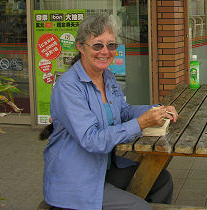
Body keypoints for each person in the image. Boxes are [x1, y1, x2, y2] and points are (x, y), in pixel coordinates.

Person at [41, 15, 178, 210]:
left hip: (104, 168)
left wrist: (157, 110)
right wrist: (140, 123)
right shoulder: (68, 87)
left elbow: (124, 112)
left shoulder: (107, 76)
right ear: (81, 47)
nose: (105, 52)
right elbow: (91, 140)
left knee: (161, 180)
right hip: (76, 180)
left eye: (111, 45)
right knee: (140, 208)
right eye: (97, 45)